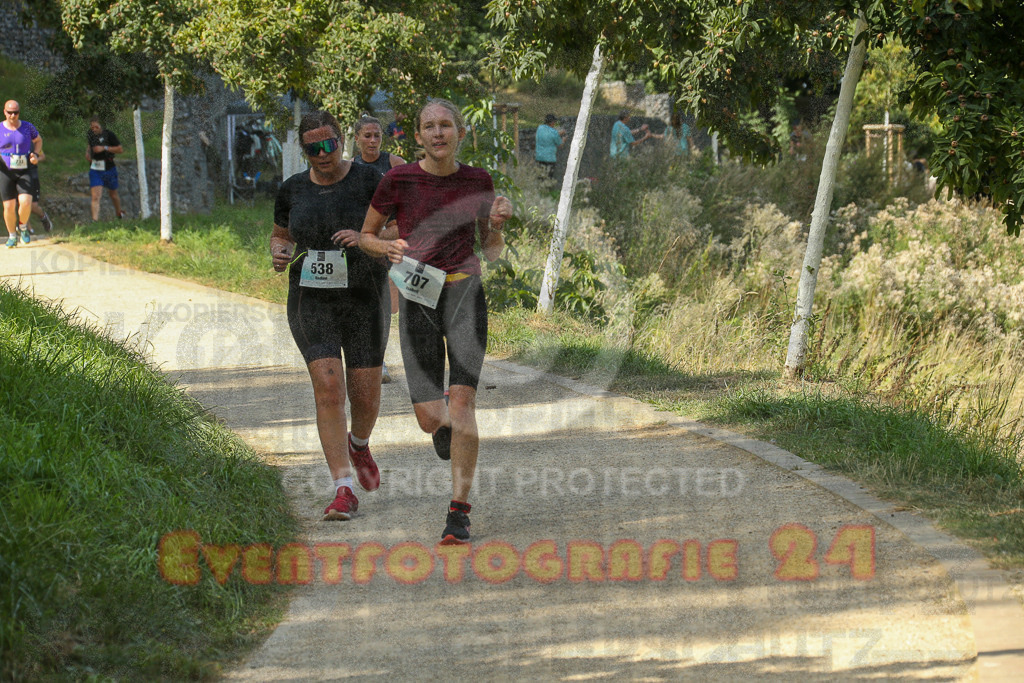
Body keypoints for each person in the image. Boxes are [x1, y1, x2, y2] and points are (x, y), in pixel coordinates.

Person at [359, 99, 512, 544]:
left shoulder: (478, 180)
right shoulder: (398, 179)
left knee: (464, 405)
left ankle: (459, 511)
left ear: (460, 133)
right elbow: (367, 235)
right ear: (418, 136)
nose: (438, 133)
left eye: (446, 125)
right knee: (430, 419)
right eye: (430, 126)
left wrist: (497, 226)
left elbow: (491, 251)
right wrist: (385, 247)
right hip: (417, 298)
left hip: (465, 293)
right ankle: (441, 419)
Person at [271, 110, 391, 522]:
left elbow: (398, 230)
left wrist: (365, 237)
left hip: (365, 296)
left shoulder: (370, 180)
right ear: (303, 151)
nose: (322, 154)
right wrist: (279, 252)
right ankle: (343, 488)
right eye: (312, 149)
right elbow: (281, 234)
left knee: (365, 397)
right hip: (311, 299)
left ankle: (359, 443)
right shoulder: (291, 189)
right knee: (328, 388)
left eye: (329, 144)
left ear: (342, 140)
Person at [351, 115, 406, 385]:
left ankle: (418, 359)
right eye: (367, 136)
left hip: (393, 239)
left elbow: (410, 206)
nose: (373, 141)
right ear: (356, 139)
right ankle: (373, 360)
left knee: (394, 306)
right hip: (363, 244)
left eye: (377, 136)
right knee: (367, 305)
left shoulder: (395, 164)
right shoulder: (349, 168)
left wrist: (384, 235)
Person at [1, 100, 42, 247]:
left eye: (16, 112)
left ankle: (23, 227)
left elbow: (38, 140)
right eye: (10, 112)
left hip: (25, 169)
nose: (13, 115)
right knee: (9, 206)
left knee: (25, 202)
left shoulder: (27, 127)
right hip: (5, 172)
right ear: (4, 112)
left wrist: (35, 154)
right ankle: (12, 236)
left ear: (19, 112)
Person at [86, 117, 126, 221]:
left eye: (96, 127)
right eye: (92, 127)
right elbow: (90, 145)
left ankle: (119, 214)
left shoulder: (109, 135)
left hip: (109, 168)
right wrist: (88, 153)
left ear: (101, 126)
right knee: (96, 196)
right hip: (95, 169)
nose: (94, 129)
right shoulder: (90, 135)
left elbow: (120, 149)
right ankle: (95, 221)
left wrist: (105, 148)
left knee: (113, 194)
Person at [534, 113, 566, 179]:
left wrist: (558, 133)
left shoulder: (540, 128)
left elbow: (547, 134)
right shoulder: (554, 132)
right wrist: (563, 139)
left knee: (540, 177)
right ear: (552, 122)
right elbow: (560, 144)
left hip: (539, 157)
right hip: (549, 159)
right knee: (548, 178)